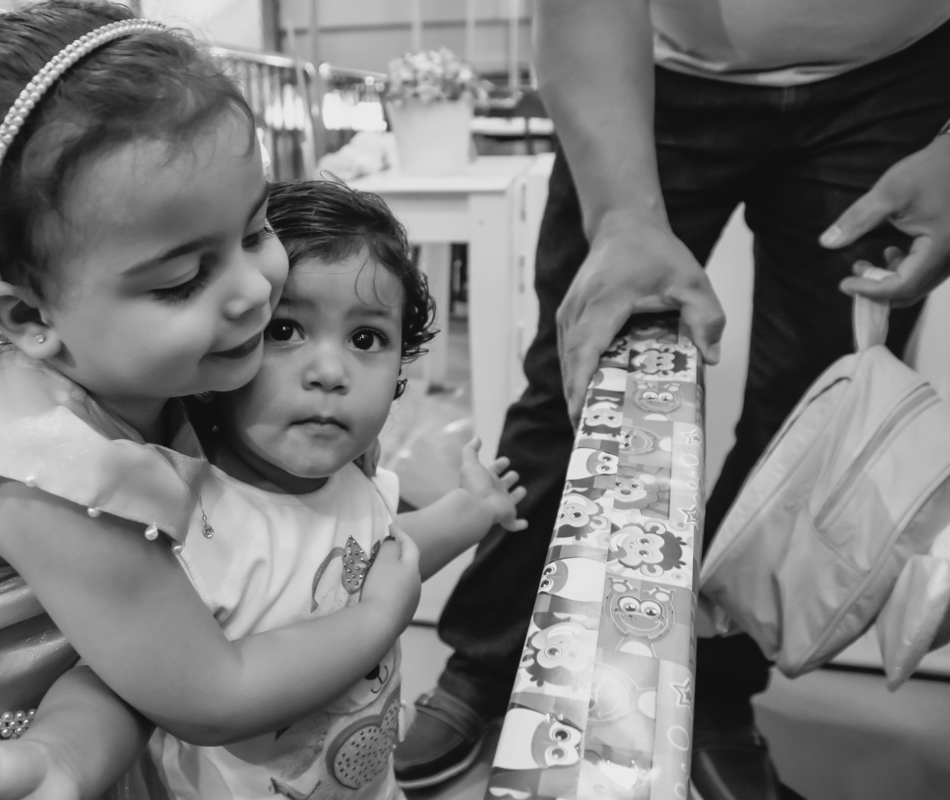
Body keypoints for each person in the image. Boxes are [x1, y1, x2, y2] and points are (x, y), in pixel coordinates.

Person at [0, 5, 425, 798]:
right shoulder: (55, 478)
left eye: (253, 231)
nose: (252, 293)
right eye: (182, 281)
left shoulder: (139, 361)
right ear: (30, 318)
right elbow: (212, 694)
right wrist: (381, 611)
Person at [394, 1, 950, 798]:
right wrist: (622, 214)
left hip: (899, 77)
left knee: (813, 418)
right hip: (649, 69)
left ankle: (716, 692)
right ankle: (487, 660)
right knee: (575, 382)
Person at [0, 177, 530, 800]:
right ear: (224, 349)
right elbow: (121, 686)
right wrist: (59, 757)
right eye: (286, 331)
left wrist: (472, 509)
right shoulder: (182, 513)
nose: (330, 373)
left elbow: (386, 562)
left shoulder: (351, 478)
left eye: (365, 339)